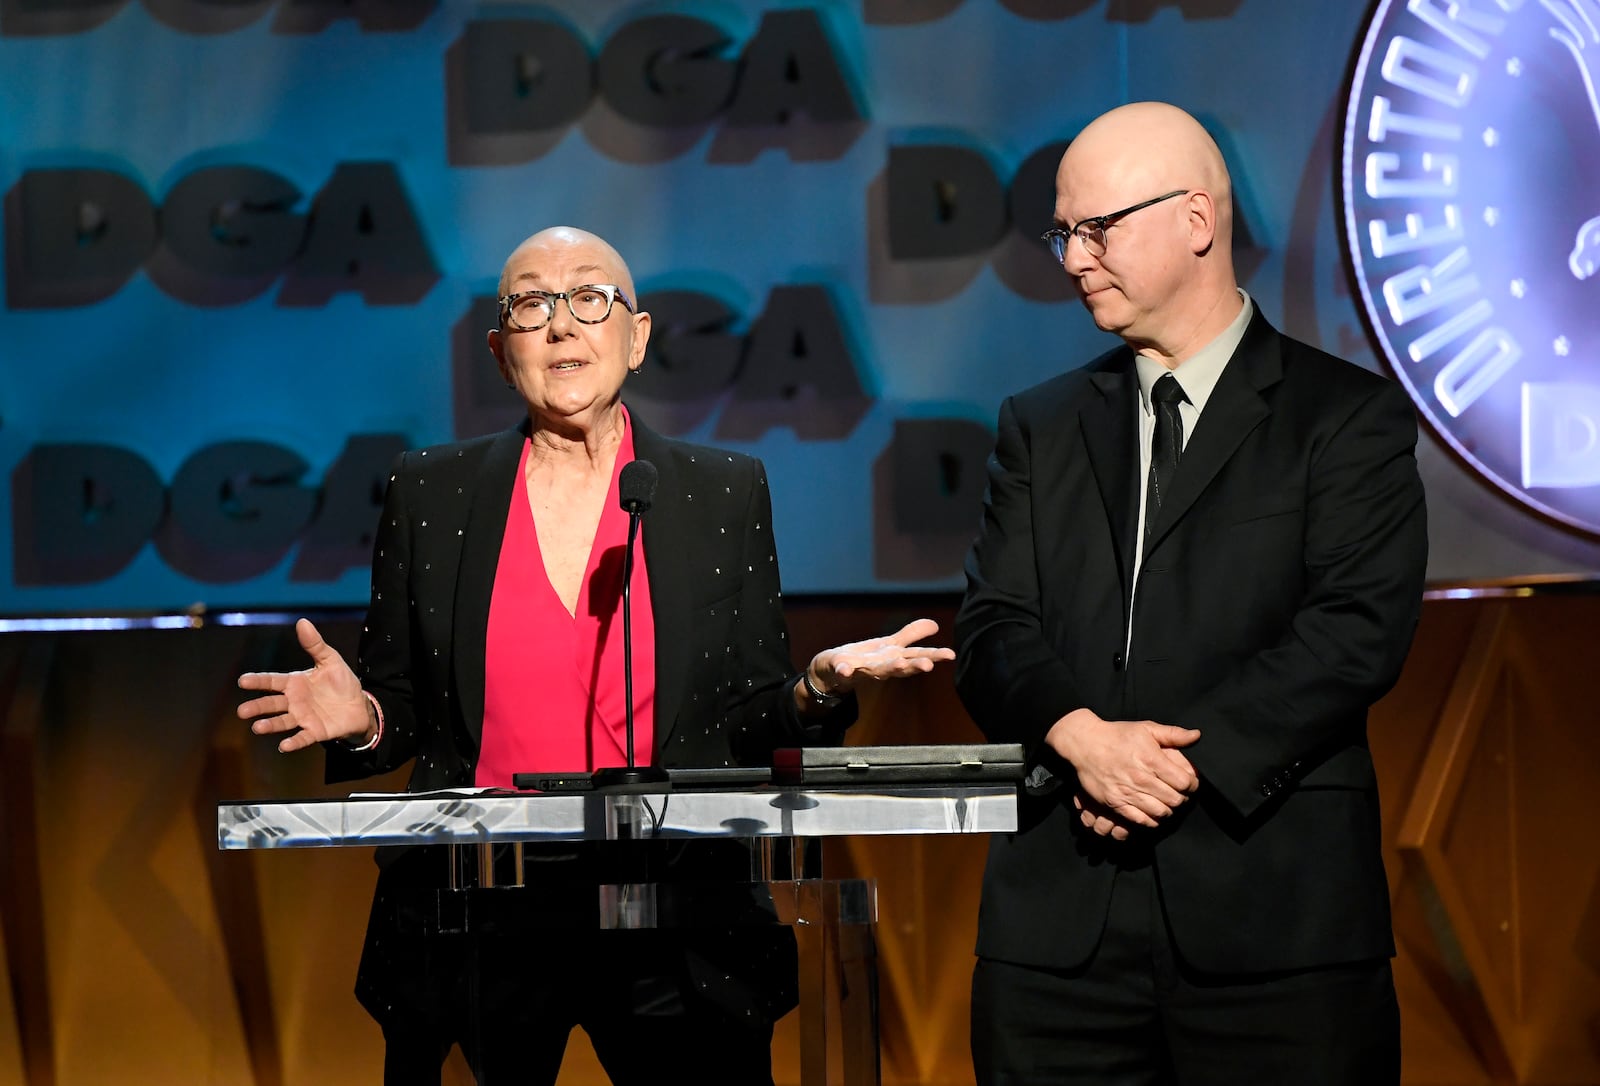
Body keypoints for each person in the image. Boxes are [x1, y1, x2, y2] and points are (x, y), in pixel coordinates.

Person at [236, 226, 954, 1085]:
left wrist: (816, 687)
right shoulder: (432, 491)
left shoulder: (720, 492)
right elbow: (402, 709)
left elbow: (750, 718)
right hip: (478, 916)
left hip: (680, 914)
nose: (563, 325)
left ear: (637, 336)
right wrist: (363, 721)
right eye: (533, 304)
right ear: (503, 353)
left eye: (589, 298)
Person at [953, 102, 1429, 1085]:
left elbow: (1353, 633)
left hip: (1274, 923)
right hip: (1059, 933)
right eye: (1062, 233)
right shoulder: (1038, 425)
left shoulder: (1343, 417)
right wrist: (1082, 738)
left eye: (1098, 229)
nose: (1073, 258)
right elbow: (995, 624)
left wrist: (1168, 768)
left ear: (1197, 221)